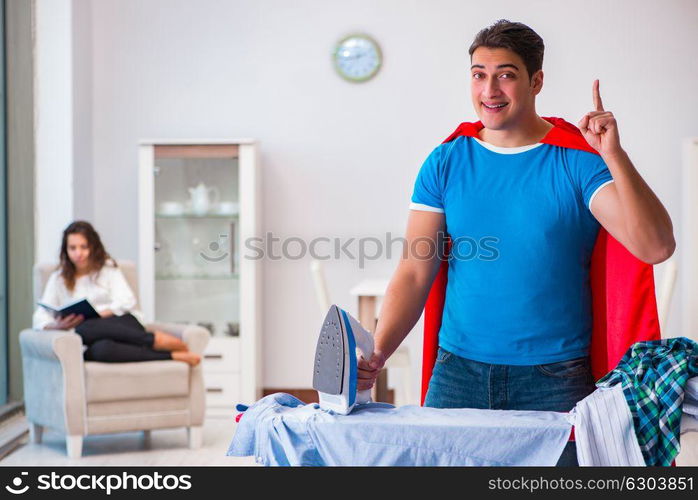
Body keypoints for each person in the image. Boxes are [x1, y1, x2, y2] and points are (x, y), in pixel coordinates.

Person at [357, 20, 675, 466]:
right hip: (457, 375)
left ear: (536, 80)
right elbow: (414, 272)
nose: (490, 89)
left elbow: (656, 247)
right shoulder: (446, 162)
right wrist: (378, 352)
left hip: (555, 379)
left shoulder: (577, 163)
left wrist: (613, 155)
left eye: (505, 74)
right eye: (478, 74)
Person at [32, 220, 201, 366]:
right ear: (66, 251)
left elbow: (127, 300)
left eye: (84, 247)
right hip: (87, 335)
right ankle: (169, 354)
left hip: (122, 324)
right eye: (73, 248)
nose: (78, 253)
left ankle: (153, 340)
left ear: (93, 246)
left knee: (85, 328)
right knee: (102, 350)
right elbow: (40, 316)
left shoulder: (107, 270)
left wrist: (101, 314)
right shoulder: (58, 278)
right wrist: (57, 325)